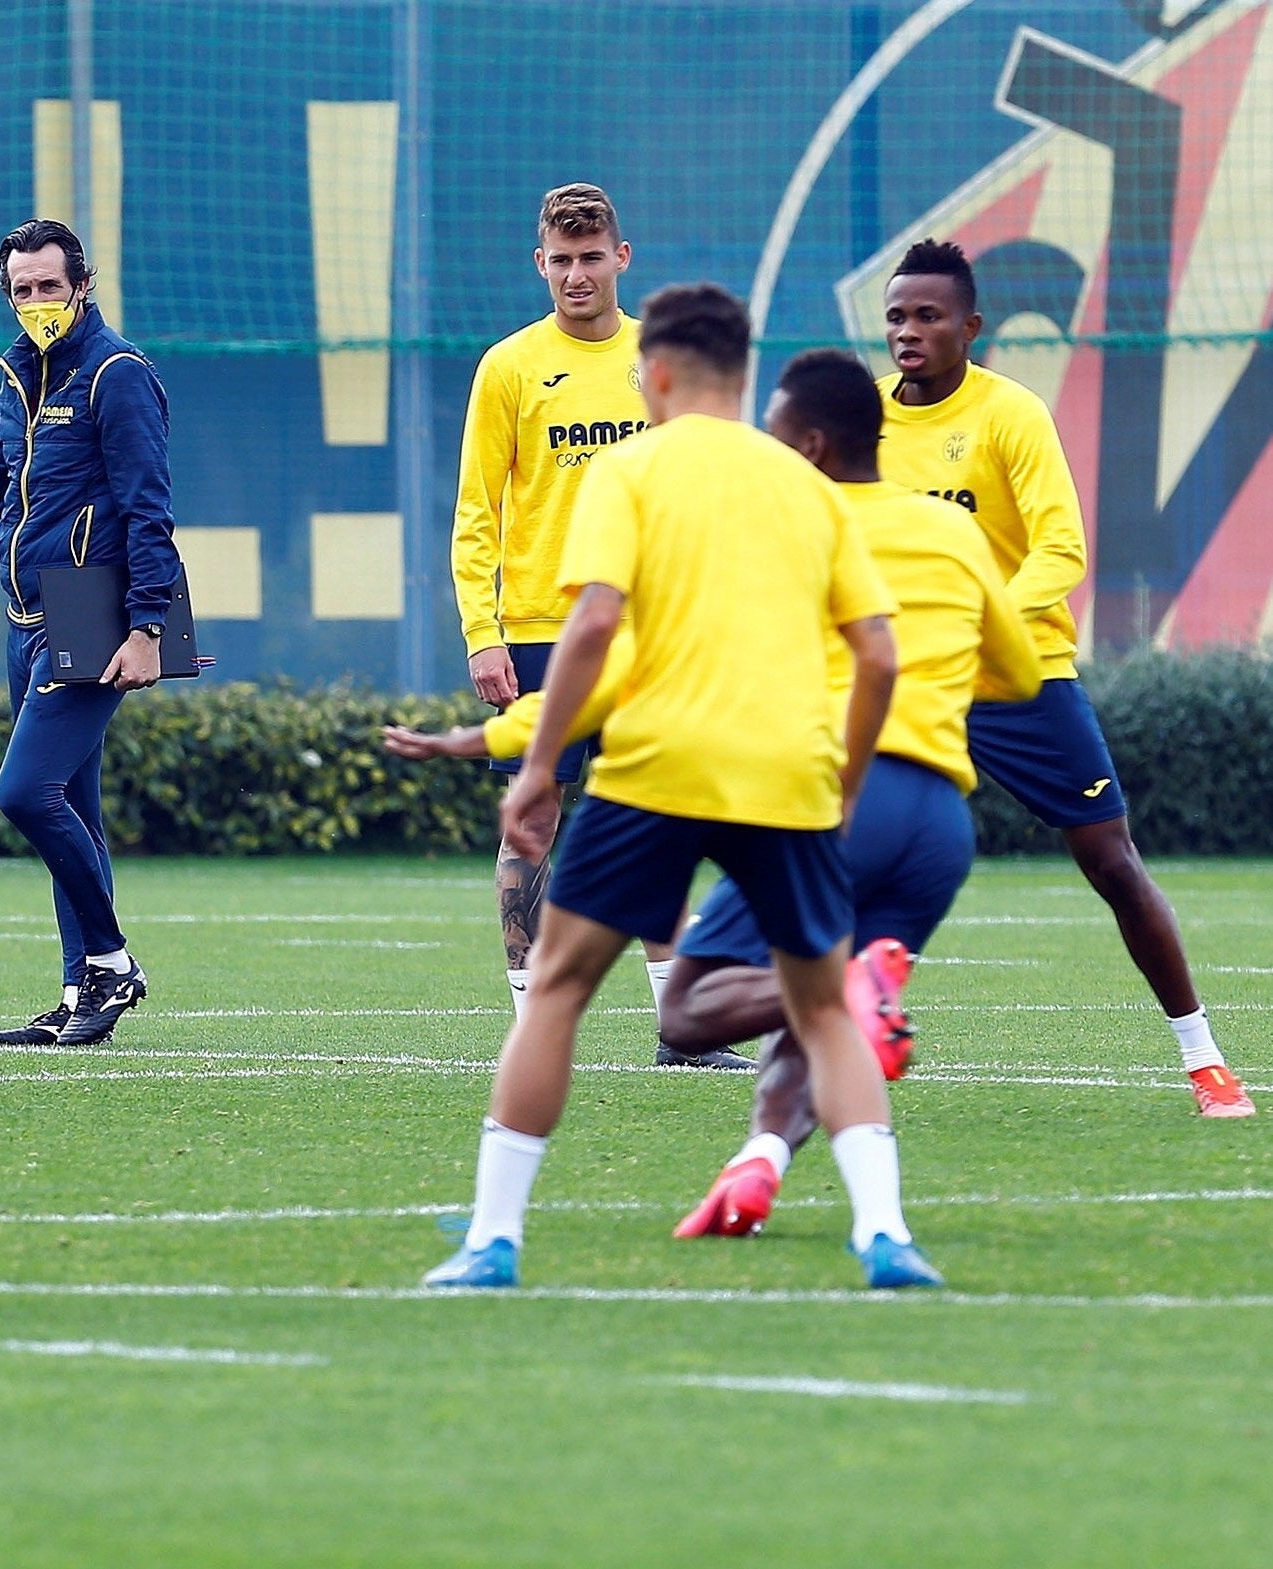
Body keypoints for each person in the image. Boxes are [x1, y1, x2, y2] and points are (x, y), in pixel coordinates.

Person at [423, 284, 944, 1293]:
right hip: (782, 774)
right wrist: (838, 778)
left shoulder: (626, 469)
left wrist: (535, 773)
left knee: (559, 994)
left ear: (652, 374)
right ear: (744, 377)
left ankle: (492, 1241)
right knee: (825, 1012)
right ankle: (883, 1234)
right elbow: (876, 657)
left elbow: (589, 627)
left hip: (653, 766)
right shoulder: (803, 483)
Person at [646, 349, 1042, 1236]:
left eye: (776, 438)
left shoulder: (789, 526)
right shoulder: (951, 531)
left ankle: (859, 983)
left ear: (815, 447)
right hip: (939, 824)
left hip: (833, 800)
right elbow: (1017, 674)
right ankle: (760, 1162)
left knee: (691, 1006)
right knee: (822, 1014)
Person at [879, 239, 1252, 1118]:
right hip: (907, 683)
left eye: (928, 316)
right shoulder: (863, 423)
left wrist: (981, 625)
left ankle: (1204, 1060)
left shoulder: (1012, 415)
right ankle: (834, 1034)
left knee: (1111, 860)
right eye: (896, 316)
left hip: (1020, 675)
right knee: (850, 850)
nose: (909, 331)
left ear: (970, 327)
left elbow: (1062, 550)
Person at [448, 184, 731, 1067]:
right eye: (561, 260)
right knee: (532, 816)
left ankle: (680, 1030)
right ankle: (534, 1020)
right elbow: (476, 511)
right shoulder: (508, 366)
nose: (576, 274)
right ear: (541, 263)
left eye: (591, 257)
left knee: (656, 817)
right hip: (538, 627)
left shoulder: (662, 360)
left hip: (649, 633)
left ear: (622, 258)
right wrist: (482, 630)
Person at [0, 218, 182, 1049]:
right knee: (75, 811)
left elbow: (148, 508)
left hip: (92, 611)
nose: (36, 303)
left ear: (83, 285)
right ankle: (78, 990)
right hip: (26, 620)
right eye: (21, 290)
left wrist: (147, 626)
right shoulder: (18, 378)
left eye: (50, 287)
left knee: (24, 793)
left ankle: (111, 960)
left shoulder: (117, 373)